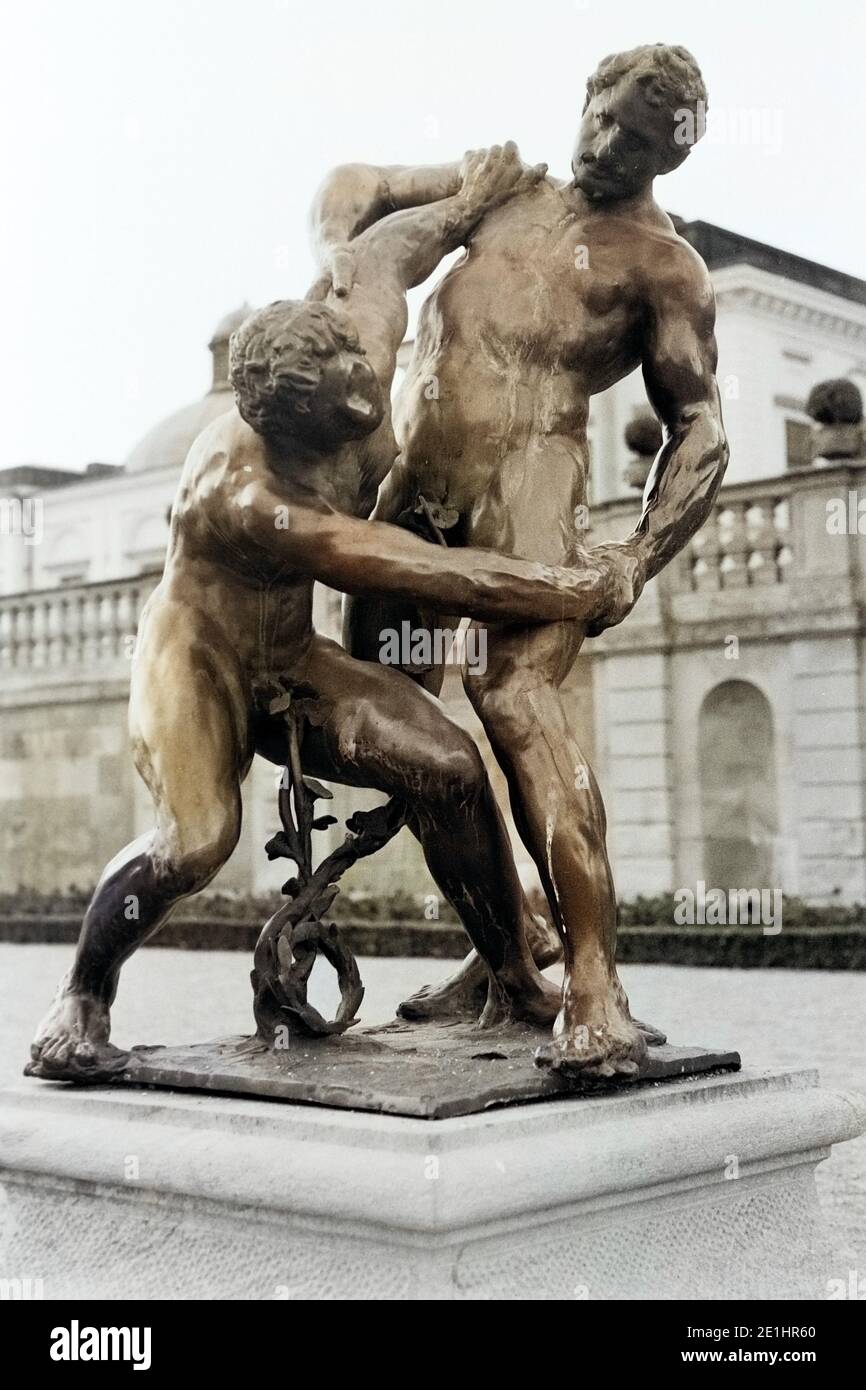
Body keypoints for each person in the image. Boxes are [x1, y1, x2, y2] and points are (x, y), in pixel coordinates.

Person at [29, 145, 646, 1082]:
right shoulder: (255, 498)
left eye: (370, 390)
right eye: (346, 415)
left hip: (291, 651)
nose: (371, 412)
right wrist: (578, 588)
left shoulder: (359, 320)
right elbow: (441, 577)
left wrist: (464, 192)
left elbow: (372, 217)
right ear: (287, 432)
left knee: (448, 765)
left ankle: (514, 978)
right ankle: (80, 1000)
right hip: (201, 661)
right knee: (196, 842)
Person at [311, 43, 729, 1074]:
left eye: (634, 142)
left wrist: (635, 551)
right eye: (601, 118)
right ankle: (505, 958)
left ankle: (595, 989)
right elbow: (348, 188)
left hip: (531, 500)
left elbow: (703, 432)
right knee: (397, 725)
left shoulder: (659, 266)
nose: (604, 146)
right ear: (583, 101)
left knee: (516, 709)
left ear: (666, 159)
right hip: (412, 494)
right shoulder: (498, 190)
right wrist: (358, 245)